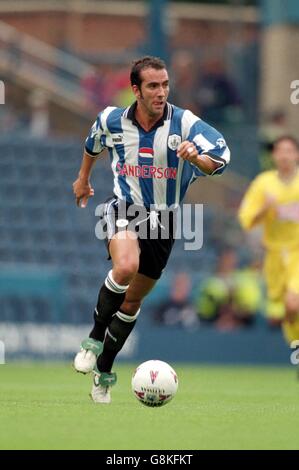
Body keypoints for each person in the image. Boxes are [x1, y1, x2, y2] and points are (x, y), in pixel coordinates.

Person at [72, 56, 230, 403]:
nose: (161, 93)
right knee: (125, 266)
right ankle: (94, 338)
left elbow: (220, 157)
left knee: (131, 303)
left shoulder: (185, 123)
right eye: (153, 86)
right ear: (136, 90)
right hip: (125, 210)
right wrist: (83, 180)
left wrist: (196, 158)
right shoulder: (112, 119)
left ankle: (103, 371)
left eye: (165, 85)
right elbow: (92, 143)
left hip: (165, 221)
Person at [238, 136, 299, 346]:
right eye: (280, 151)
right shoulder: (263, 184)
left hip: (297, 253)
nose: (284, 156)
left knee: (293, 303)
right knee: (283, 311)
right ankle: (295, 345)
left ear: (297, 155)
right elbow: (246, 220)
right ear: (274, 155)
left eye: (289, 151)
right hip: (274, 256)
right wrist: (265, 208)